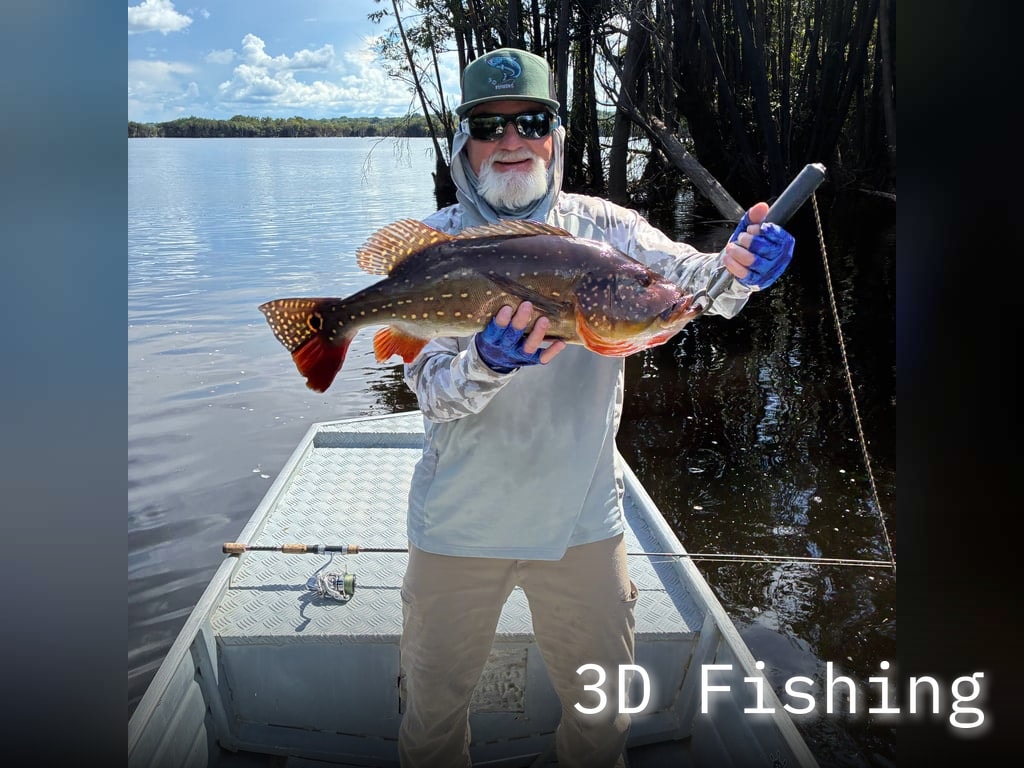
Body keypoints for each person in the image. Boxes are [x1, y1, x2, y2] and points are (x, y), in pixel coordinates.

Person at [398, 48, 796, 768]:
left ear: (555, 134)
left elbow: (690, 284)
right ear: (464, 142)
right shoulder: (435, 245)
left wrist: (739, 269)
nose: (511, 141)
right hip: (457, 523)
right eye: (489, 126)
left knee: (602, 720)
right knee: (431, 723)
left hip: (583, 520)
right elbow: (428, 391)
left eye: (530, 122)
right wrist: (486, 363)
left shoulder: (606, 229)